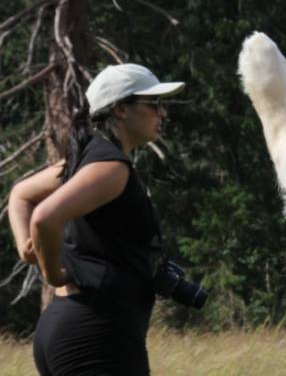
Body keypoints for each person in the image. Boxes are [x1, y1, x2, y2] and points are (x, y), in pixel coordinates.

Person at [8, 63, 185, 376]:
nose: (164, 113)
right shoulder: (110, 167)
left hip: (69, 327)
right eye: (154, 104)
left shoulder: (87, 160)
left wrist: (26, 249)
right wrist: (52, 273)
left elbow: (22, 194)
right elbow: (45, 219)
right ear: (119, 109)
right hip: (97, 334)